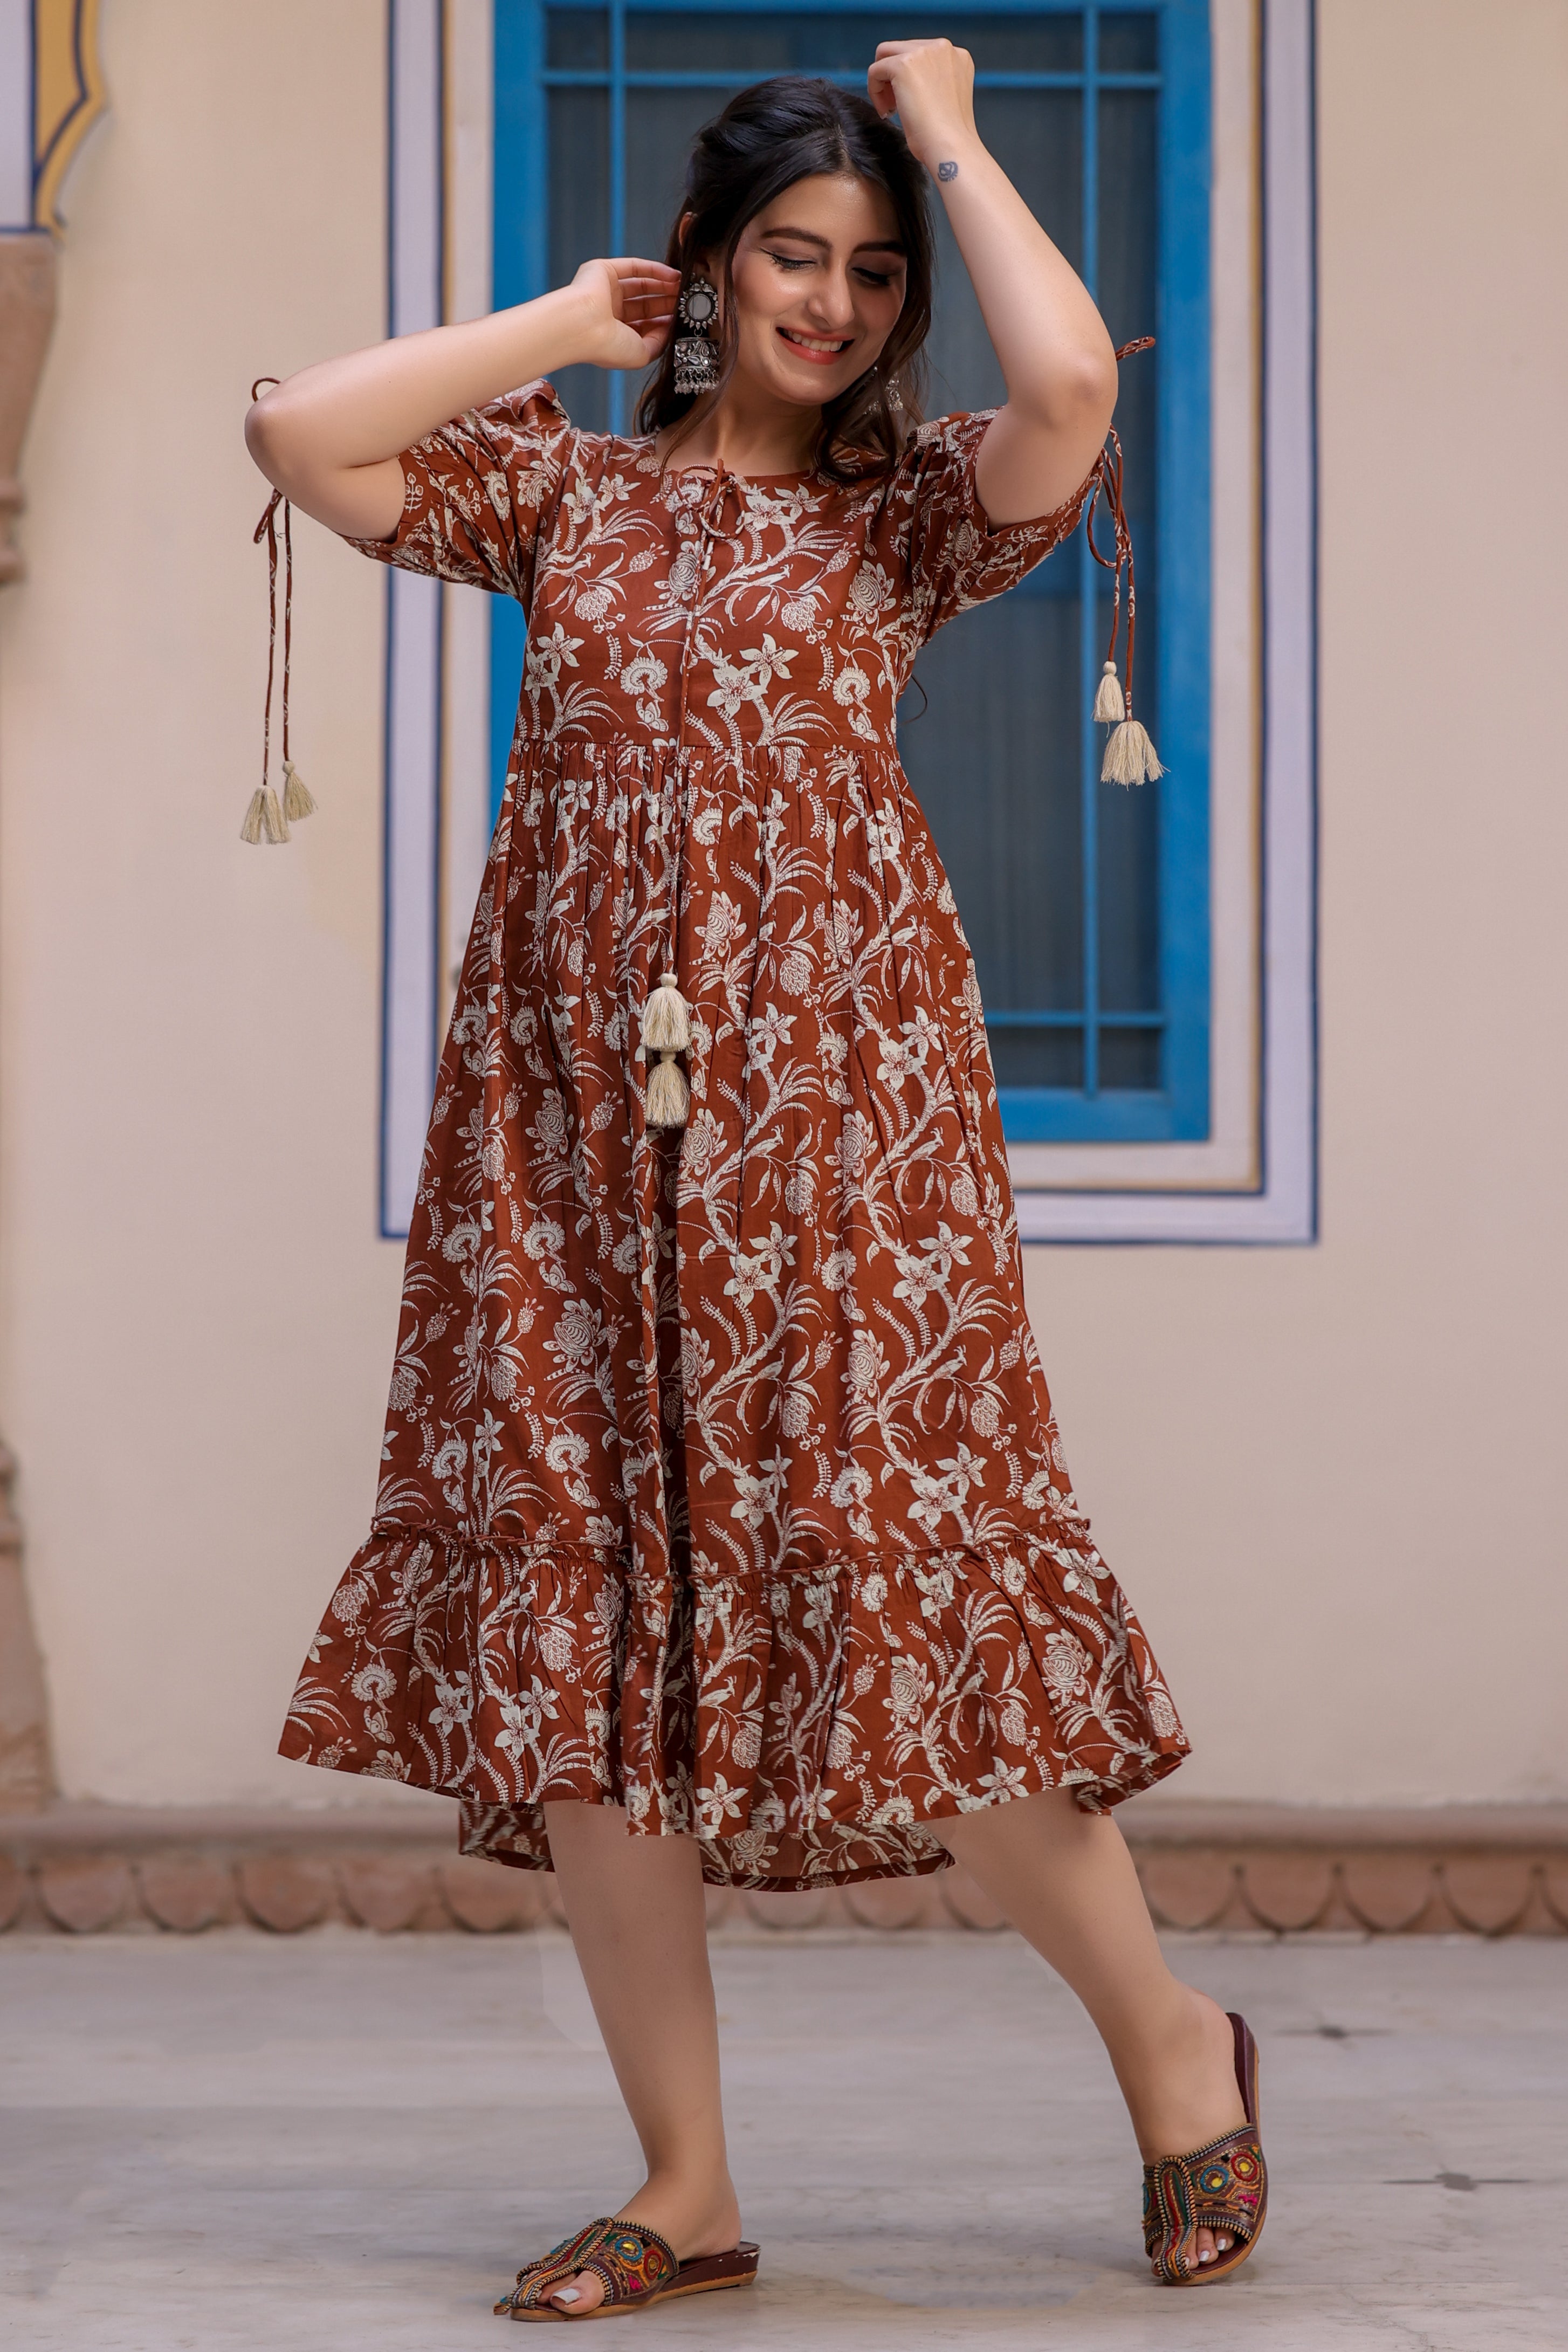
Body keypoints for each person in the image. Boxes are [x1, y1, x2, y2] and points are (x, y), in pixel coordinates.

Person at [247, 39, 1268, 2314]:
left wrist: (958, 141)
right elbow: (301, 429)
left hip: (840, 1129)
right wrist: (571, 320)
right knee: (599, 1638)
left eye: (868, 274)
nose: (826, 303)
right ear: (713, 261)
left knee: (904, 1598)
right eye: (786, 257)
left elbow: (1081, 382)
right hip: (569, 1133)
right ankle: (685, 2178)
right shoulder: (563, 502)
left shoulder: (902, 514)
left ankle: (1178, 2051)